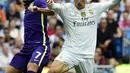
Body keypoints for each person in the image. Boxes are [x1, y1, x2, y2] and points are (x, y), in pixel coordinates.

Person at [47, 0, 122, 73]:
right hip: (70, 52)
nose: (79, 1)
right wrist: (50, 4)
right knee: (52, 71)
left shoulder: (95, 8)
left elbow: (114, 2)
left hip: (87, 56)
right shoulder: (66, 8)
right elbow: (53, 5)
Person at [5, 0, 54, 73]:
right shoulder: (27, 7)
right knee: (10, 70)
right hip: (26, 48)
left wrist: (38, 9)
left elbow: (51, 12)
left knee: (31, 67)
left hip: (40, 46)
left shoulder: (39, 1)